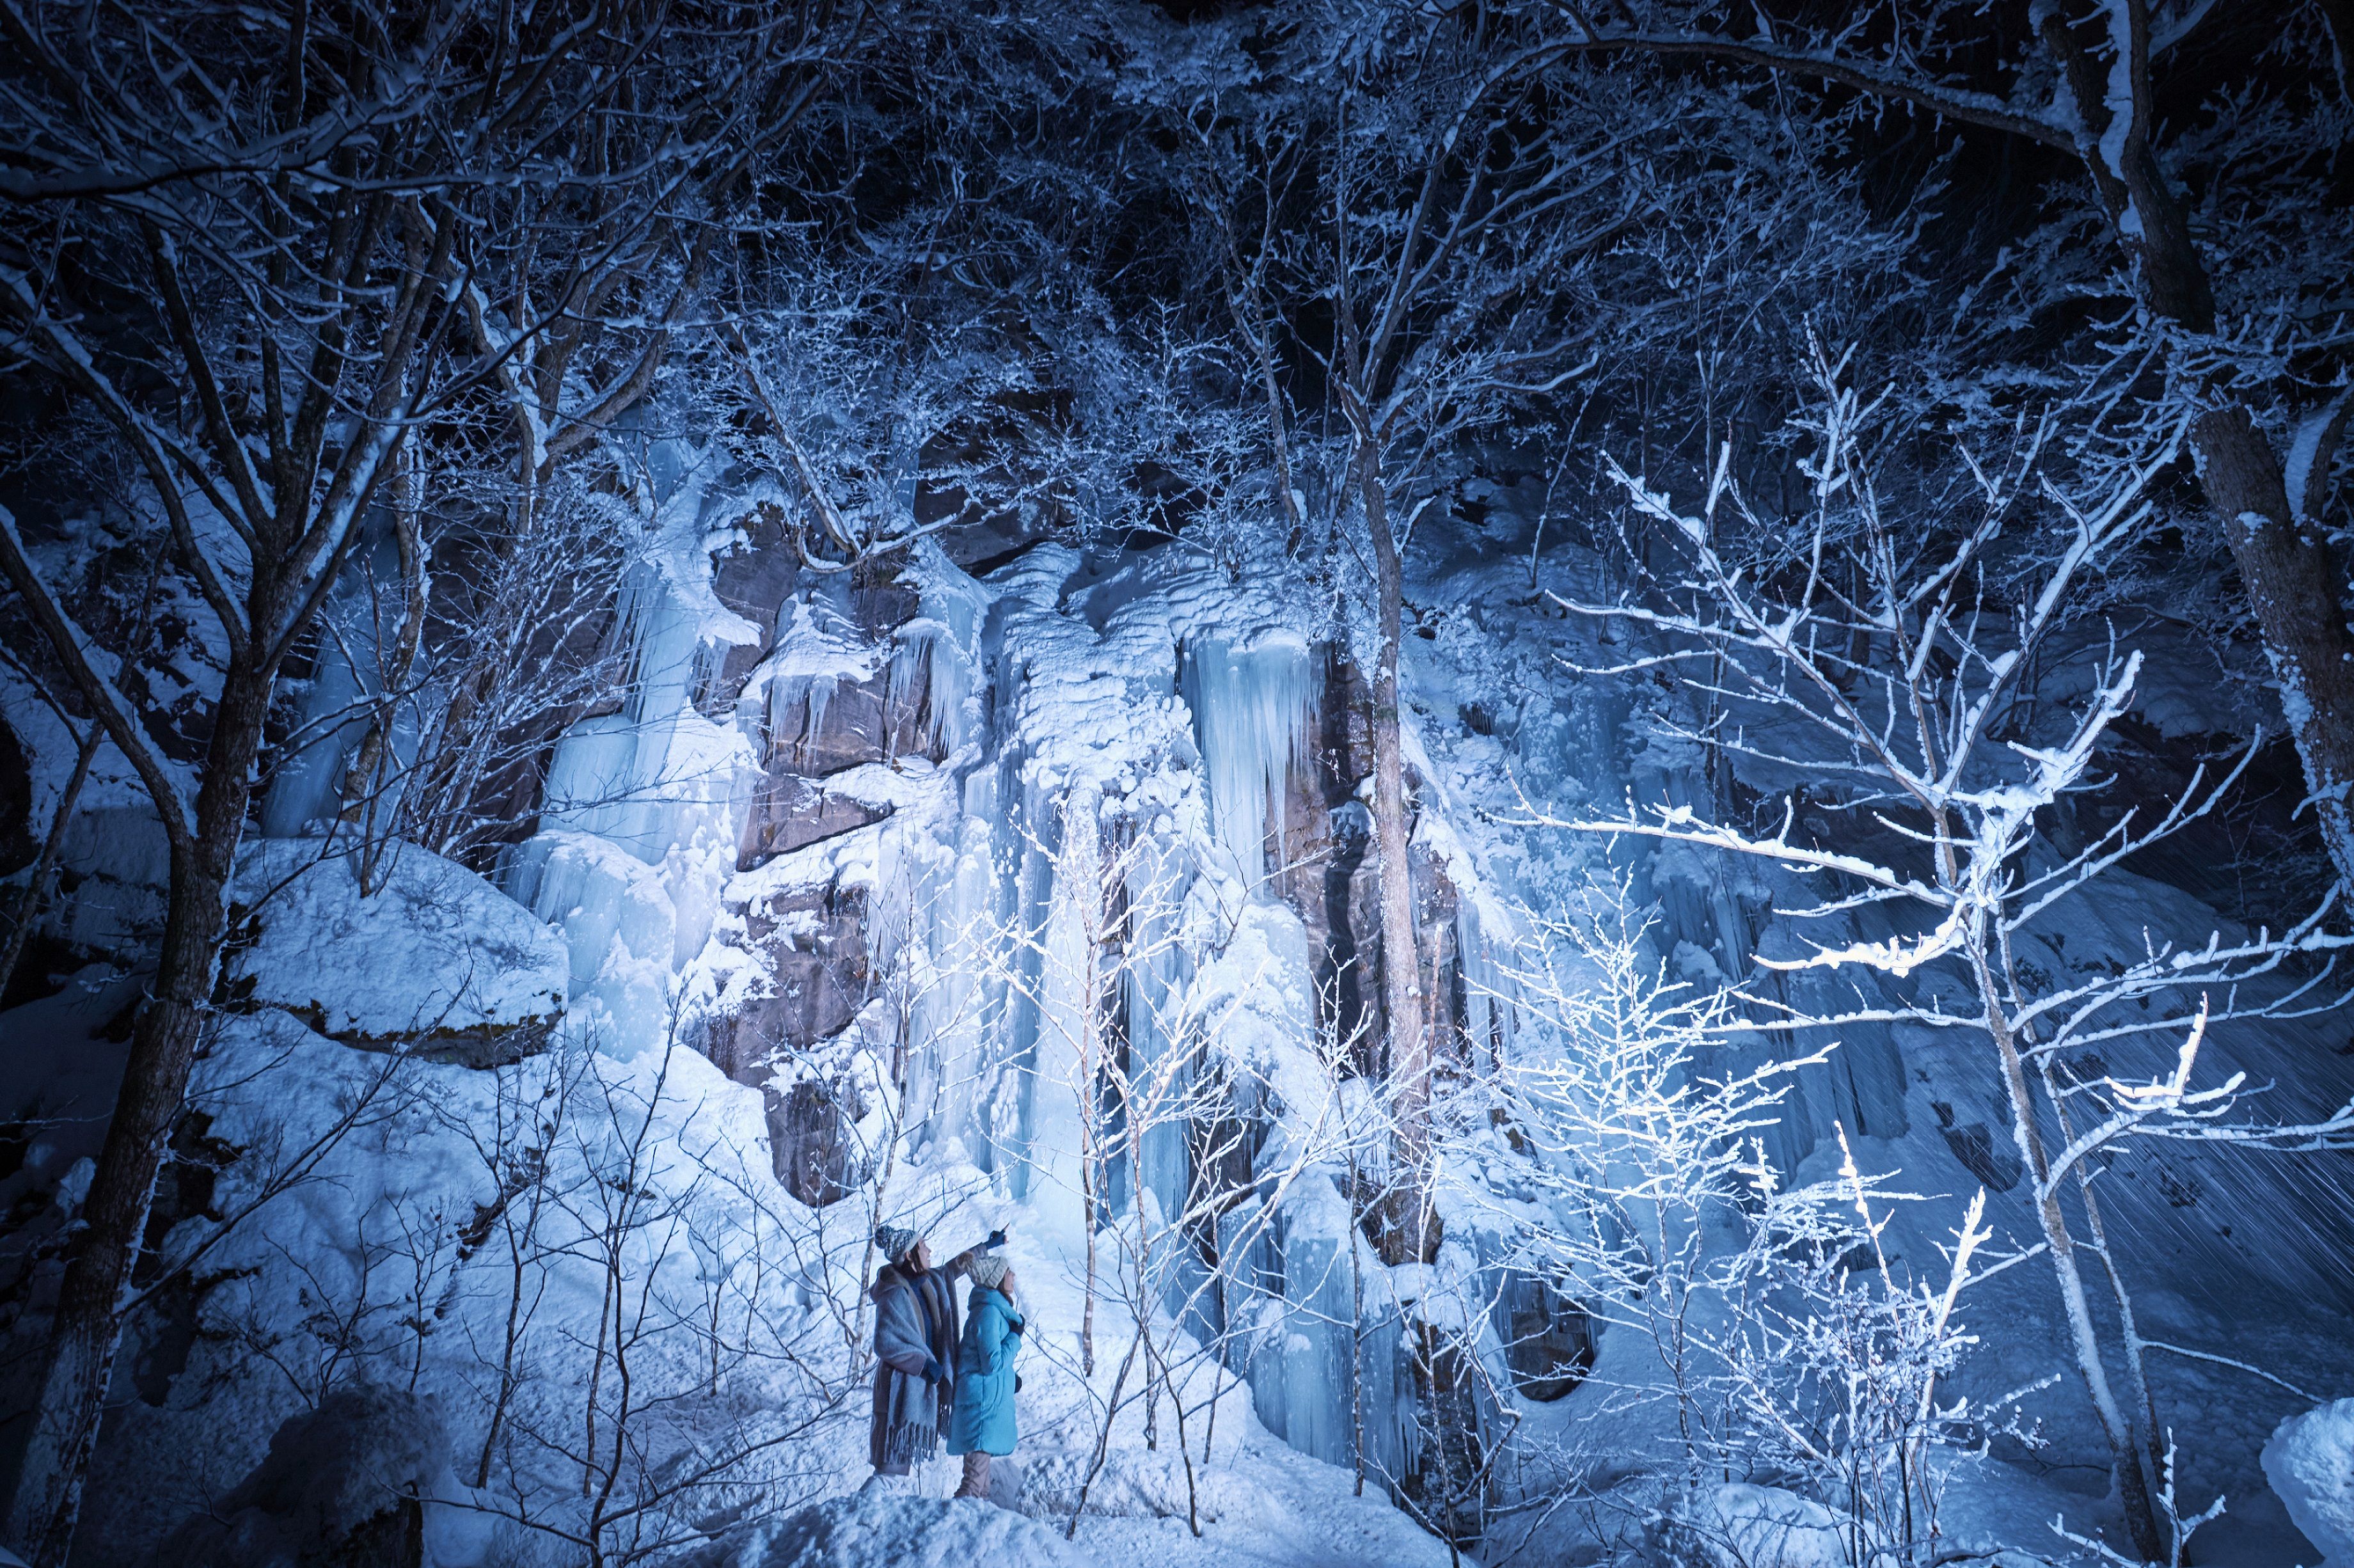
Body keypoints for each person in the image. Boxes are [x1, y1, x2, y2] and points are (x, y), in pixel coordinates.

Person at [867, 1223, 1004, 1487]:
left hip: (918, 1387)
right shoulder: (895, 1293)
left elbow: (954, 1267)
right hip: (899, 1390)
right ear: (909, 1255)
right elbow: (886, 1343)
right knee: (889, 1471)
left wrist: (986, 1247)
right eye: (923, 1246)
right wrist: (923, 1365)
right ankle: (857, 1515)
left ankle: (869, 1515)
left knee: (895, 1472)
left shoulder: (928, 1281)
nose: (929, 1250)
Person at [946, 1254, 1025, 1501]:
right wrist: (1015, 1337)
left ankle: (973, 1532)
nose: (1013, 1276)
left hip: (985, 1402)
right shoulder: (989, 1314)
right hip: (982, 1408)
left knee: (982, 1487)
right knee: (973, 1484)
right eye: (1008, 1272)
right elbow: (992, 1364)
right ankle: (952, 1526)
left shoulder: (994, 1312)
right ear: (997, 1280)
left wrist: (1012, 1380)